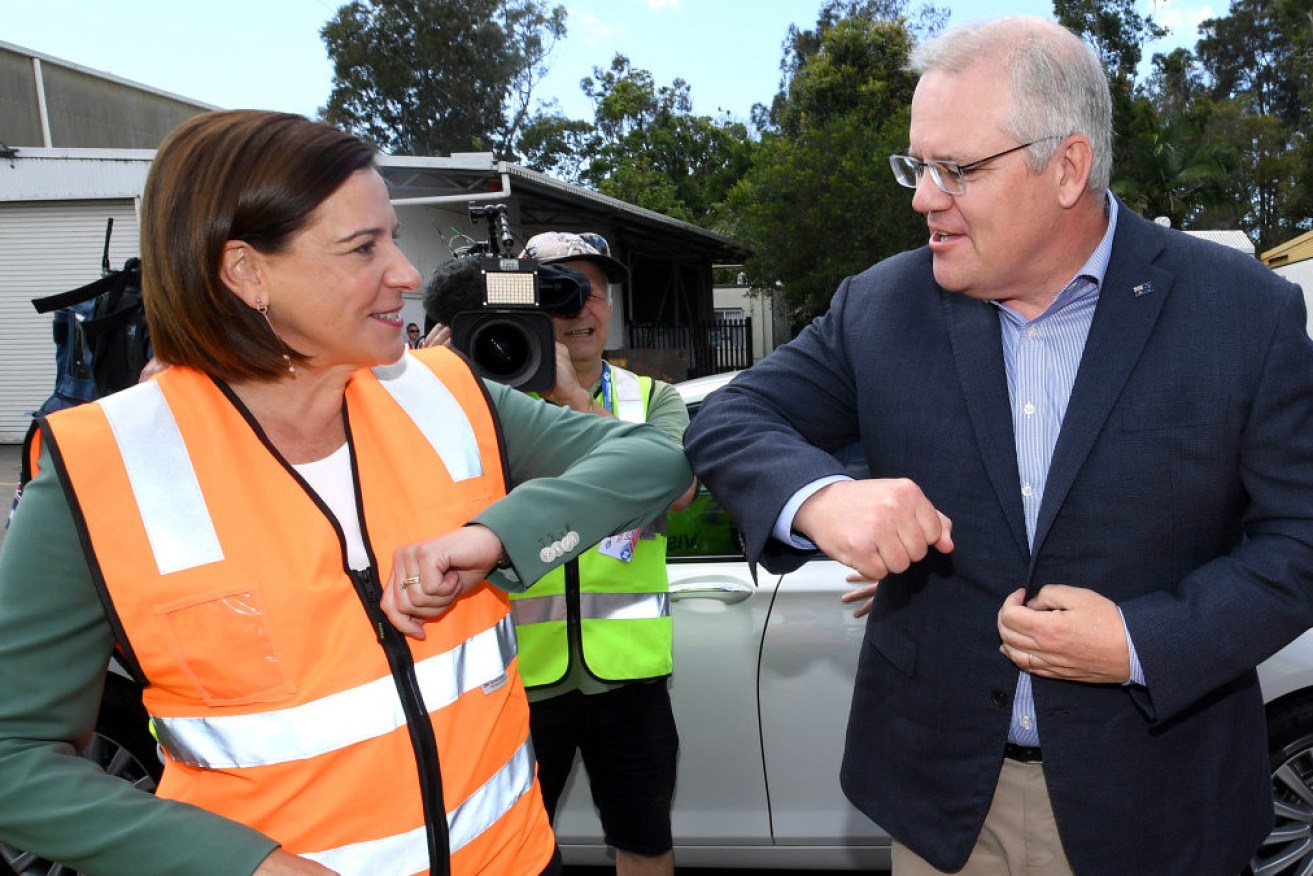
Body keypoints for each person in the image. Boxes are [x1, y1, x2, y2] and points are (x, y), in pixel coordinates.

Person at [685, 16, 1313, 876]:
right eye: (917, 165)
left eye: (957, 169)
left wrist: (1139, 642)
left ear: (1066, 167)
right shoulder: (881, 306)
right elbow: (728, 419)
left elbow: (1301, 540)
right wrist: (821, 498)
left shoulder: (1242, 313)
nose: (922, 196)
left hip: (1157, 805)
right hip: (943, 809)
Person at [0, 110, 693, 876]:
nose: (405, 273)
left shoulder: (445, 393)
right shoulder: (100, 468)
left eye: (393, 238)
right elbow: (13, 757)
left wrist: (496, 536)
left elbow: (654, 458)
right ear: (245, 272)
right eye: (364, 247)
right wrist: (246, 866)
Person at [425, 231, 691, 876]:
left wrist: (572, 399)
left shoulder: (653, 399)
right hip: (515, 677)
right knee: (509, 846)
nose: (579, 310)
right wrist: (429, 381)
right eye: (557, 295)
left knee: (645, 840)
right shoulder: (474, 401)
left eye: (592, 293)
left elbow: (678, 492)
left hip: (627, 677)